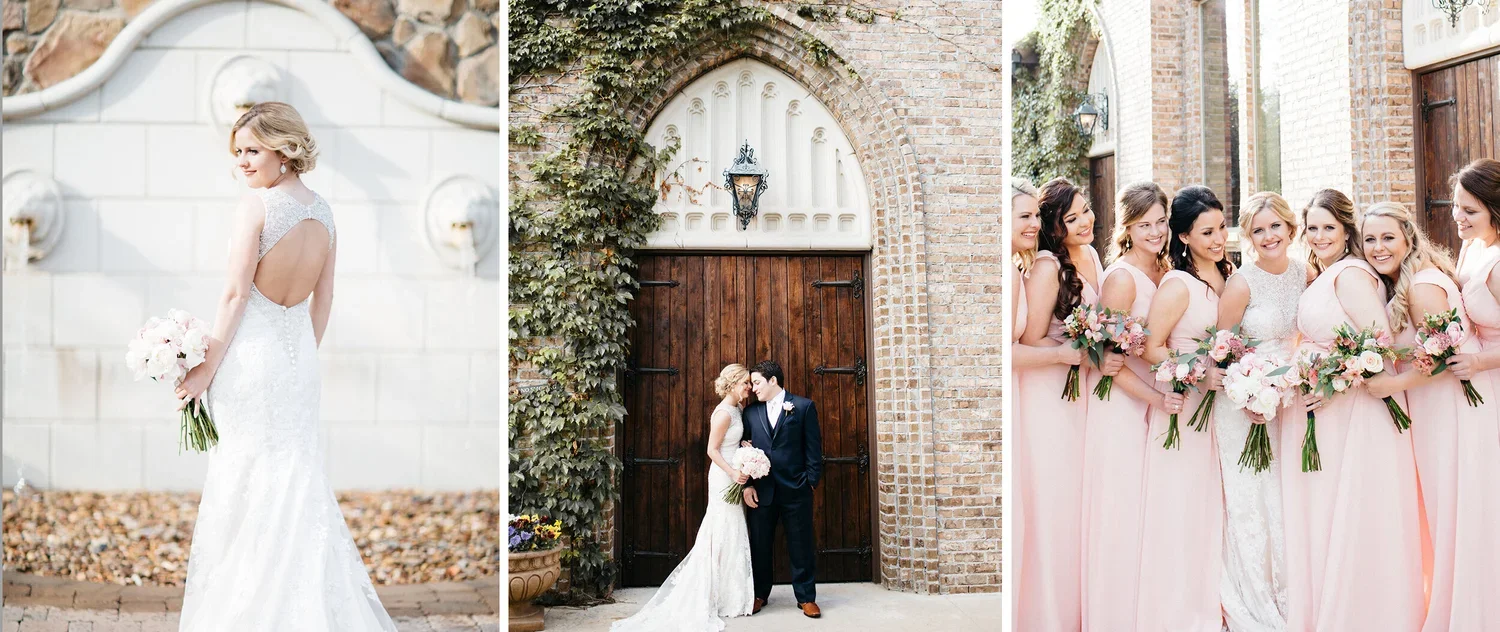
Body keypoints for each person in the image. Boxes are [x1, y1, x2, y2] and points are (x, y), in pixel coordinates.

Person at [173, 102, 398, 629]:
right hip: (297, 367)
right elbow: (324, 299)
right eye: (239, 154)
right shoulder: (324, 213)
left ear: (285, 149)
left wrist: (204, 367)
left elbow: (234, 296)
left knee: (244, 479)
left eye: (253, 150)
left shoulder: (257, 208)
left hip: (248, 362)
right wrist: (300, 355)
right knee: (296, 478)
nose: (244, 163)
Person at [1283, 192, 1424, 631]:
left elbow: (1376, 342)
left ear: (1346, 232)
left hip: (1354, 410)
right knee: (1332, 512)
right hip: (1332, 411)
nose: (1320, 235)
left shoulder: (1350, 275)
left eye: (1329, 227)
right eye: (1313, 227)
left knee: (1359, 509)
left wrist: (1331, 383)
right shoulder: (1324, 275)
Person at [1013, 177, 1119, 630]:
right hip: (1051, 397)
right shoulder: (1044, 269)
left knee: (1084, 504)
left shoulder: (1094, 256)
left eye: (1086, 211)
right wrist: (1069, 352)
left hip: (1087, 396)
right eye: (1070, 218)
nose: (1084, 222)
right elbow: (1029, 339)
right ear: (1056, 227)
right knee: (1056, 504)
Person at [1079, 181, 1183, 630]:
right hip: (1123, 405)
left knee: (1153, 510)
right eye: (1145, 225)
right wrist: (1158, 400)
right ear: (1127, 228)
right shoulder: (1121, 279)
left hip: (1157, 399)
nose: (1156, 231)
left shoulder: (1165, 268)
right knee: (1122, 512)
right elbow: (1108, 362)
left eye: (1161, 221)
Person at [1135, 185, 1230, 631]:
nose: (1218, 238)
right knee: (1184, 509)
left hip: (1227, 411)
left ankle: (1218, 598)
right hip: (1187, 413)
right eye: (1206, 231)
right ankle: (1177, 612)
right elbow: (1150, 348)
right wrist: (1196, 371)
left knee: (1217, 509)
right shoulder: (1178, 284)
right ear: (1185, 237)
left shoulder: (1230, 276)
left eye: (1221, 227)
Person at [1212, 192, 1302, 631]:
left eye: (1275, 226)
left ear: (1290, 228)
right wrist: (1247, 393)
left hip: (1291, 398)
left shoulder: (1305, 273)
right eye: (1258, 229)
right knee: (1252, 501)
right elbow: (1221, 349)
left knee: (1284, 497)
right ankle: (1253, 598)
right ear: (1248, 237)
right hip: (1243, 405)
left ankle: (1291, 590)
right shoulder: (1242, 283)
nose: (1268, 236)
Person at [611, 364, 757, 631]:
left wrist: (744, 448)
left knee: (733, 529)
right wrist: (734, 471)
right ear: (734, 383)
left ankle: (729, 593)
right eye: (746, 382)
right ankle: (712, 593)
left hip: (734, 472)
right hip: (724, 477)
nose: (749, 387)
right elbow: (712, 450)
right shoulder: (723, 412)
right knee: (721, 528)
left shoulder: (739, 409)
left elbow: (731, 443)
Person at [1427, 158, 1500, 631]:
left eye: (1469, 210)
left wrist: (1479, 361)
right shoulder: (1473, 249)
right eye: (1456, 207)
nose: (1459, 218)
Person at [742, 360, 823, 619]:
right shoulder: (751, 412)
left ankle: (806, 598)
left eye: (756, 382)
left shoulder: (802, 407)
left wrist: (810, 480)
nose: (753, 388)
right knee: (760, 545)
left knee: (801, 545)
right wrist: (747, 487)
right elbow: (744, 449)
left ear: (773, 381)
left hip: (795, 489)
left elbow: (813, 449)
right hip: (762, 491)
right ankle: (759, 594)